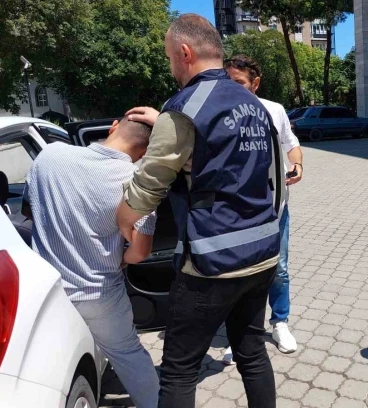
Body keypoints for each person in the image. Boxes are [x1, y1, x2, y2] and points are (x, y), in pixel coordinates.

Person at [116, 14, 280, 408]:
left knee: (179, 371)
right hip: (263, 251)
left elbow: (148, 186)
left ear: (185, 52)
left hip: (211, 262)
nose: (171, 66)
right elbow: (271, 177)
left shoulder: (184, 108)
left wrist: (123, 220)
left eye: (170, 57)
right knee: (252, 353)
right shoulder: (253, 104)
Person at [23, 118, 159, 408]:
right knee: (128, 354)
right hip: (100, 294)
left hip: (48, 292)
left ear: (113, 126)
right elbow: (140, 252)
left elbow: (29, 209)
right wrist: (122, 260)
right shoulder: (138, 184)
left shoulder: (49, 156)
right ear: (145, 151)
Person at [223, 55, 304, 363]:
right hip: (236, 210)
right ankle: (240, 333)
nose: (232, 88)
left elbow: (291, 143)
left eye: (239, 82)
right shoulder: (218, 111)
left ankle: (280, 322)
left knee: (279, 269)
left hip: (274, 207)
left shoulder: (274, 110)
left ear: (255, 83)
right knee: (239, 273)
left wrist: (298, 164)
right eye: (227, 81)